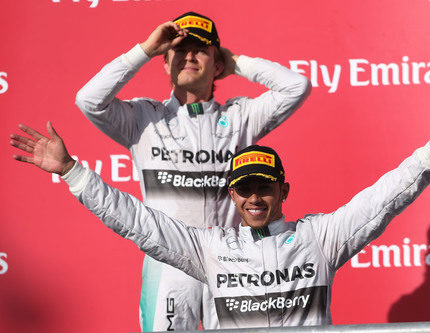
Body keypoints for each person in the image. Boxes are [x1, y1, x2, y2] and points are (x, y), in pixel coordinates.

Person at [10, 98, 430, 328]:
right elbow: (136, 220)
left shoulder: (320, 238)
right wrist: (72, 172)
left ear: (283, 190)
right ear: (233, 196)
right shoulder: (209, 248)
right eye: (244, 190)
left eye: (264, 188)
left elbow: (382, 200)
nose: (254, 198)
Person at [74, 11, 311, 331]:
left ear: (217, 65)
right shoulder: (143, 118)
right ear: (164, 60)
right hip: (168, 264)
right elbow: (89, 100)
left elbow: (296, 86)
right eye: (179, 48)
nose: (189, 56)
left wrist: (236, 62)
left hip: (234, 264)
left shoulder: (241, 116)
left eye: (201, 50)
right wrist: (144, 50)